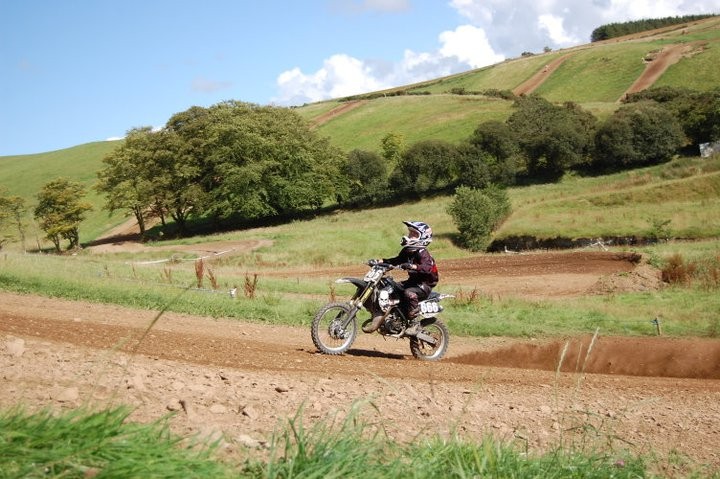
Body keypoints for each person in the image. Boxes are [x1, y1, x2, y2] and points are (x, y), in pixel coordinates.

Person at [363, 221, 439, 335]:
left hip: (425, 285)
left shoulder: (422, 253)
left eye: (414, 234)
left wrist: (412, 266)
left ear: (423, 237)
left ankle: (414, 324)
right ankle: (393, 316)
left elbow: (427, 268)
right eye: (410, 233)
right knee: (390, 287)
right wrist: (379, 261)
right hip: (413, 282)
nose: (410, 236)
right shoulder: (407, 251)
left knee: (409, 293)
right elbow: (396, 260)